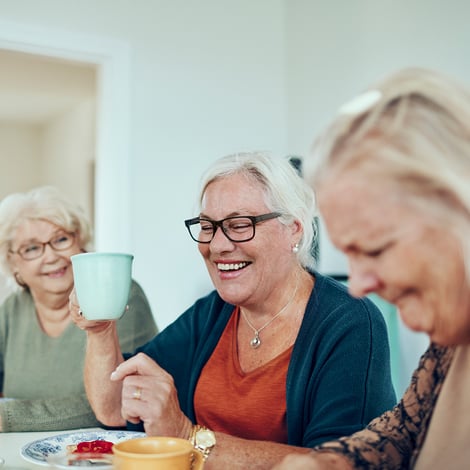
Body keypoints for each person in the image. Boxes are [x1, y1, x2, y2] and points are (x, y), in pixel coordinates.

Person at [71, 151, 396, 469]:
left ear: (293, 229)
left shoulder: (349, 321)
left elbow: (337, 463)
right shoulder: (210, 315)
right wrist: (100, 330)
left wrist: (187, 435)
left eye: (240, 224)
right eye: (208, 226)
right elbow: (114, 409)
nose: (218, 245)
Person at [272, 67, 470, 470]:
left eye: (375, 250)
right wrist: (326, 464)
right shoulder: (451, 344)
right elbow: (405, 432)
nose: (359, 286)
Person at [0, 186, 158, 432]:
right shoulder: (12, 309)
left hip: (100, 453)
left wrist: (9, 417)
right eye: (31, 248)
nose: (51, 256)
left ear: (81, 243)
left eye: (61, 239)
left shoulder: (121, 293)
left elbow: (120, 400)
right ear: (13, 264)